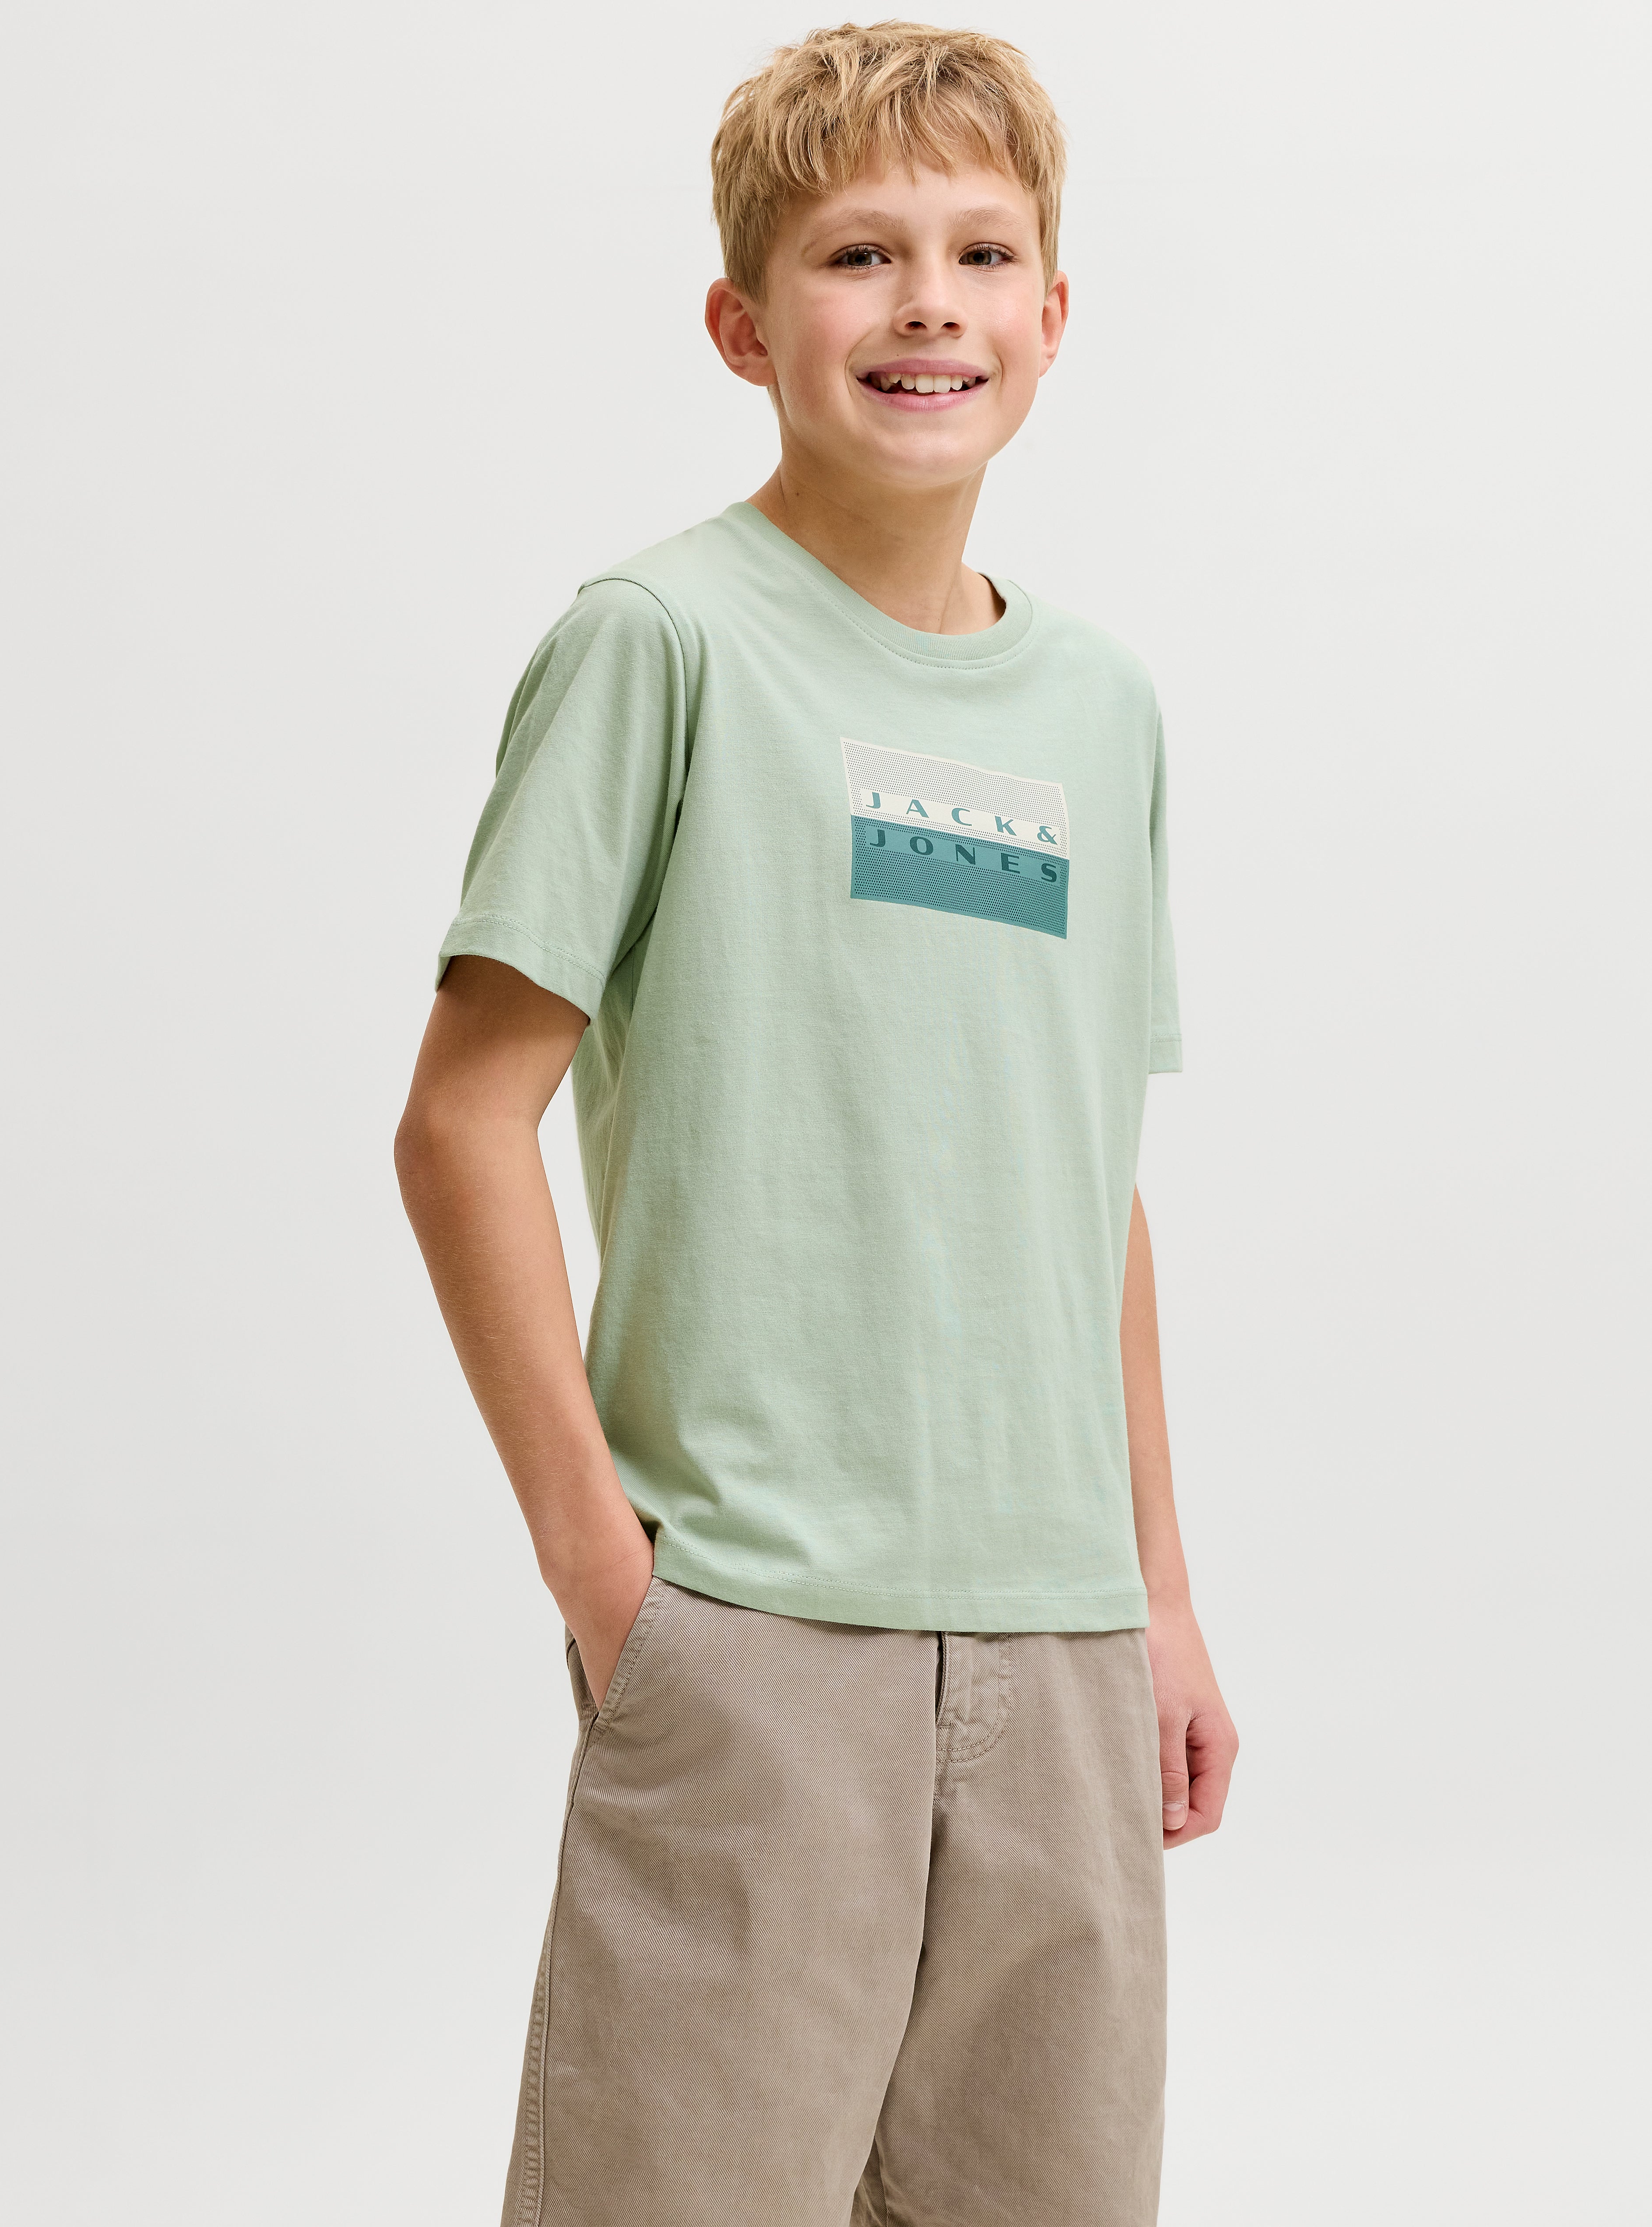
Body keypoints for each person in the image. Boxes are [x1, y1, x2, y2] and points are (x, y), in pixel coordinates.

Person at [395, 21, 1237, 2226]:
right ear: (743, 322)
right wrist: (614, 1583)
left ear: (1055, 312)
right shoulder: (660, 643)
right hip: (751, 1624)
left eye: (981, 252)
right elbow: (461, 1122)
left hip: (1061, 1642)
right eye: (860, 254)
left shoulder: (1102, 707)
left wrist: (1156, 1595)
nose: (927, 303)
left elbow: (1092, 1180)